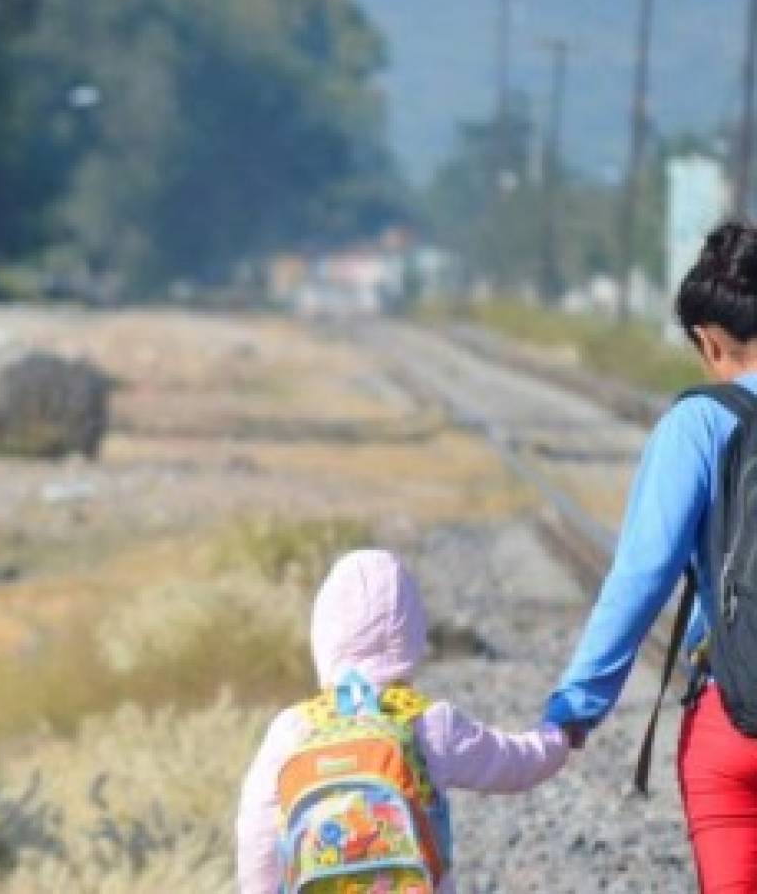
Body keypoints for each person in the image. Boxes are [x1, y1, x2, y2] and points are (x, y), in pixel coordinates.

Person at [545, 222, 757, 891]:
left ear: (709, 340)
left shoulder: (698, 422)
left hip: (737, 718)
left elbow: (642, 576)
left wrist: (576, 706)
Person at [236, 549, 569, 894]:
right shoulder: (429, 723)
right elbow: (513, 763)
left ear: (323, 633)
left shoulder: (293, 729)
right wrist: (559, 735)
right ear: (412, 633)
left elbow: (256, 833)